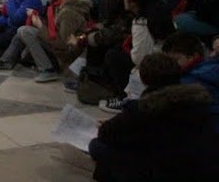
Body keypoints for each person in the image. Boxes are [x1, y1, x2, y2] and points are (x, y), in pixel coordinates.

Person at [89, 52, 219, 182]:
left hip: (164, 170)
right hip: (202, 168)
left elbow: (107, 133)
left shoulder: (144, 108)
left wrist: (110, 125)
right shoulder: (198, 102)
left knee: (97, 146)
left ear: (143, 78)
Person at [163, 33, 219, 133]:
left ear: (194, 56)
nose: (171, 65)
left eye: (176, 60)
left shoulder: (187, 82)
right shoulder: (212, 66)